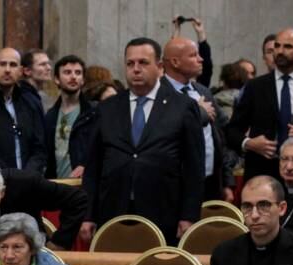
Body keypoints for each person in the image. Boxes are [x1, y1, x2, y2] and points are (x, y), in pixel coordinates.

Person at [81, 37, 204, 243]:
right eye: (130, 63)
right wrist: (88, 215)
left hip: (164, 212)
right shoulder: (107, 108)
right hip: (113, 211)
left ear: (159, 67)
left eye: (143, 63)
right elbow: (93, 167)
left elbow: (194, 167)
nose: (136, 69)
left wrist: (189, 216)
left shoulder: (182, 107)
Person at [226, 28, 293, 183]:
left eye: (288, 47)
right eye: (277, 46)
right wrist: (249, 143)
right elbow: (232, 131)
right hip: (262, 172)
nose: (280, 51)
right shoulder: (255, 87)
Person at [0, 165, 87, 251]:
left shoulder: (25, 183)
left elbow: (77, 199)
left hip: (33, 262)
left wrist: (59, 242)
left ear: (2, 192)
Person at [164, 36, 234, 202]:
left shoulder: (203, 91)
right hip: (175, 186)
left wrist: (226, 181)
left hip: (210, 183)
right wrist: (198, 114)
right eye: (193, 55)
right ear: (175, 62)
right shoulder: (159, 93)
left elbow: (220, 138)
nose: (200, 59)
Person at [44, 54, 97, 179]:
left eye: (78, 73)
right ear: (57, 79)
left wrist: (86, 165)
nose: (73, 77)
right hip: (56, 184)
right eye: (67, 72)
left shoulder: (93, 112)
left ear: (83, 80)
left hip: (82, 183)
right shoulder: (50, 116)